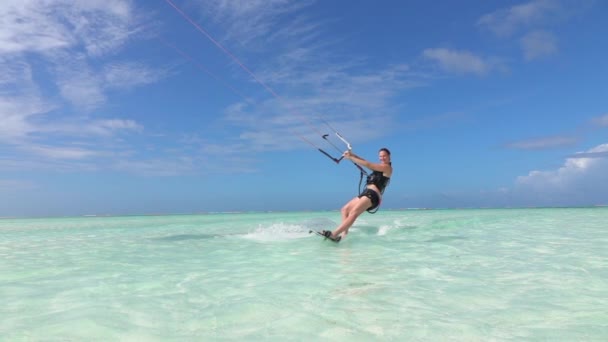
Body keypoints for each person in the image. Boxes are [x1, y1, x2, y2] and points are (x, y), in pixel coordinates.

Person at [321, 148, 392, 242]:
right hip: (366, 193)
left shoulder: (387, 168)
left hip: (373, 195)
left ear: (389, 156)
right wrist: (353, 155)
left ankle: (334, 234)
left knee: (353, 213)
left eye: (384, 156)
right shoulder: (379, 167)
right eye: (380, 156)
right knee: (344, 209)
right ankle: (343, 235)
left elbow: (368, 164)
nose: (382, 158)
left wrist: (350, 157)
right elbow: (365, 161)